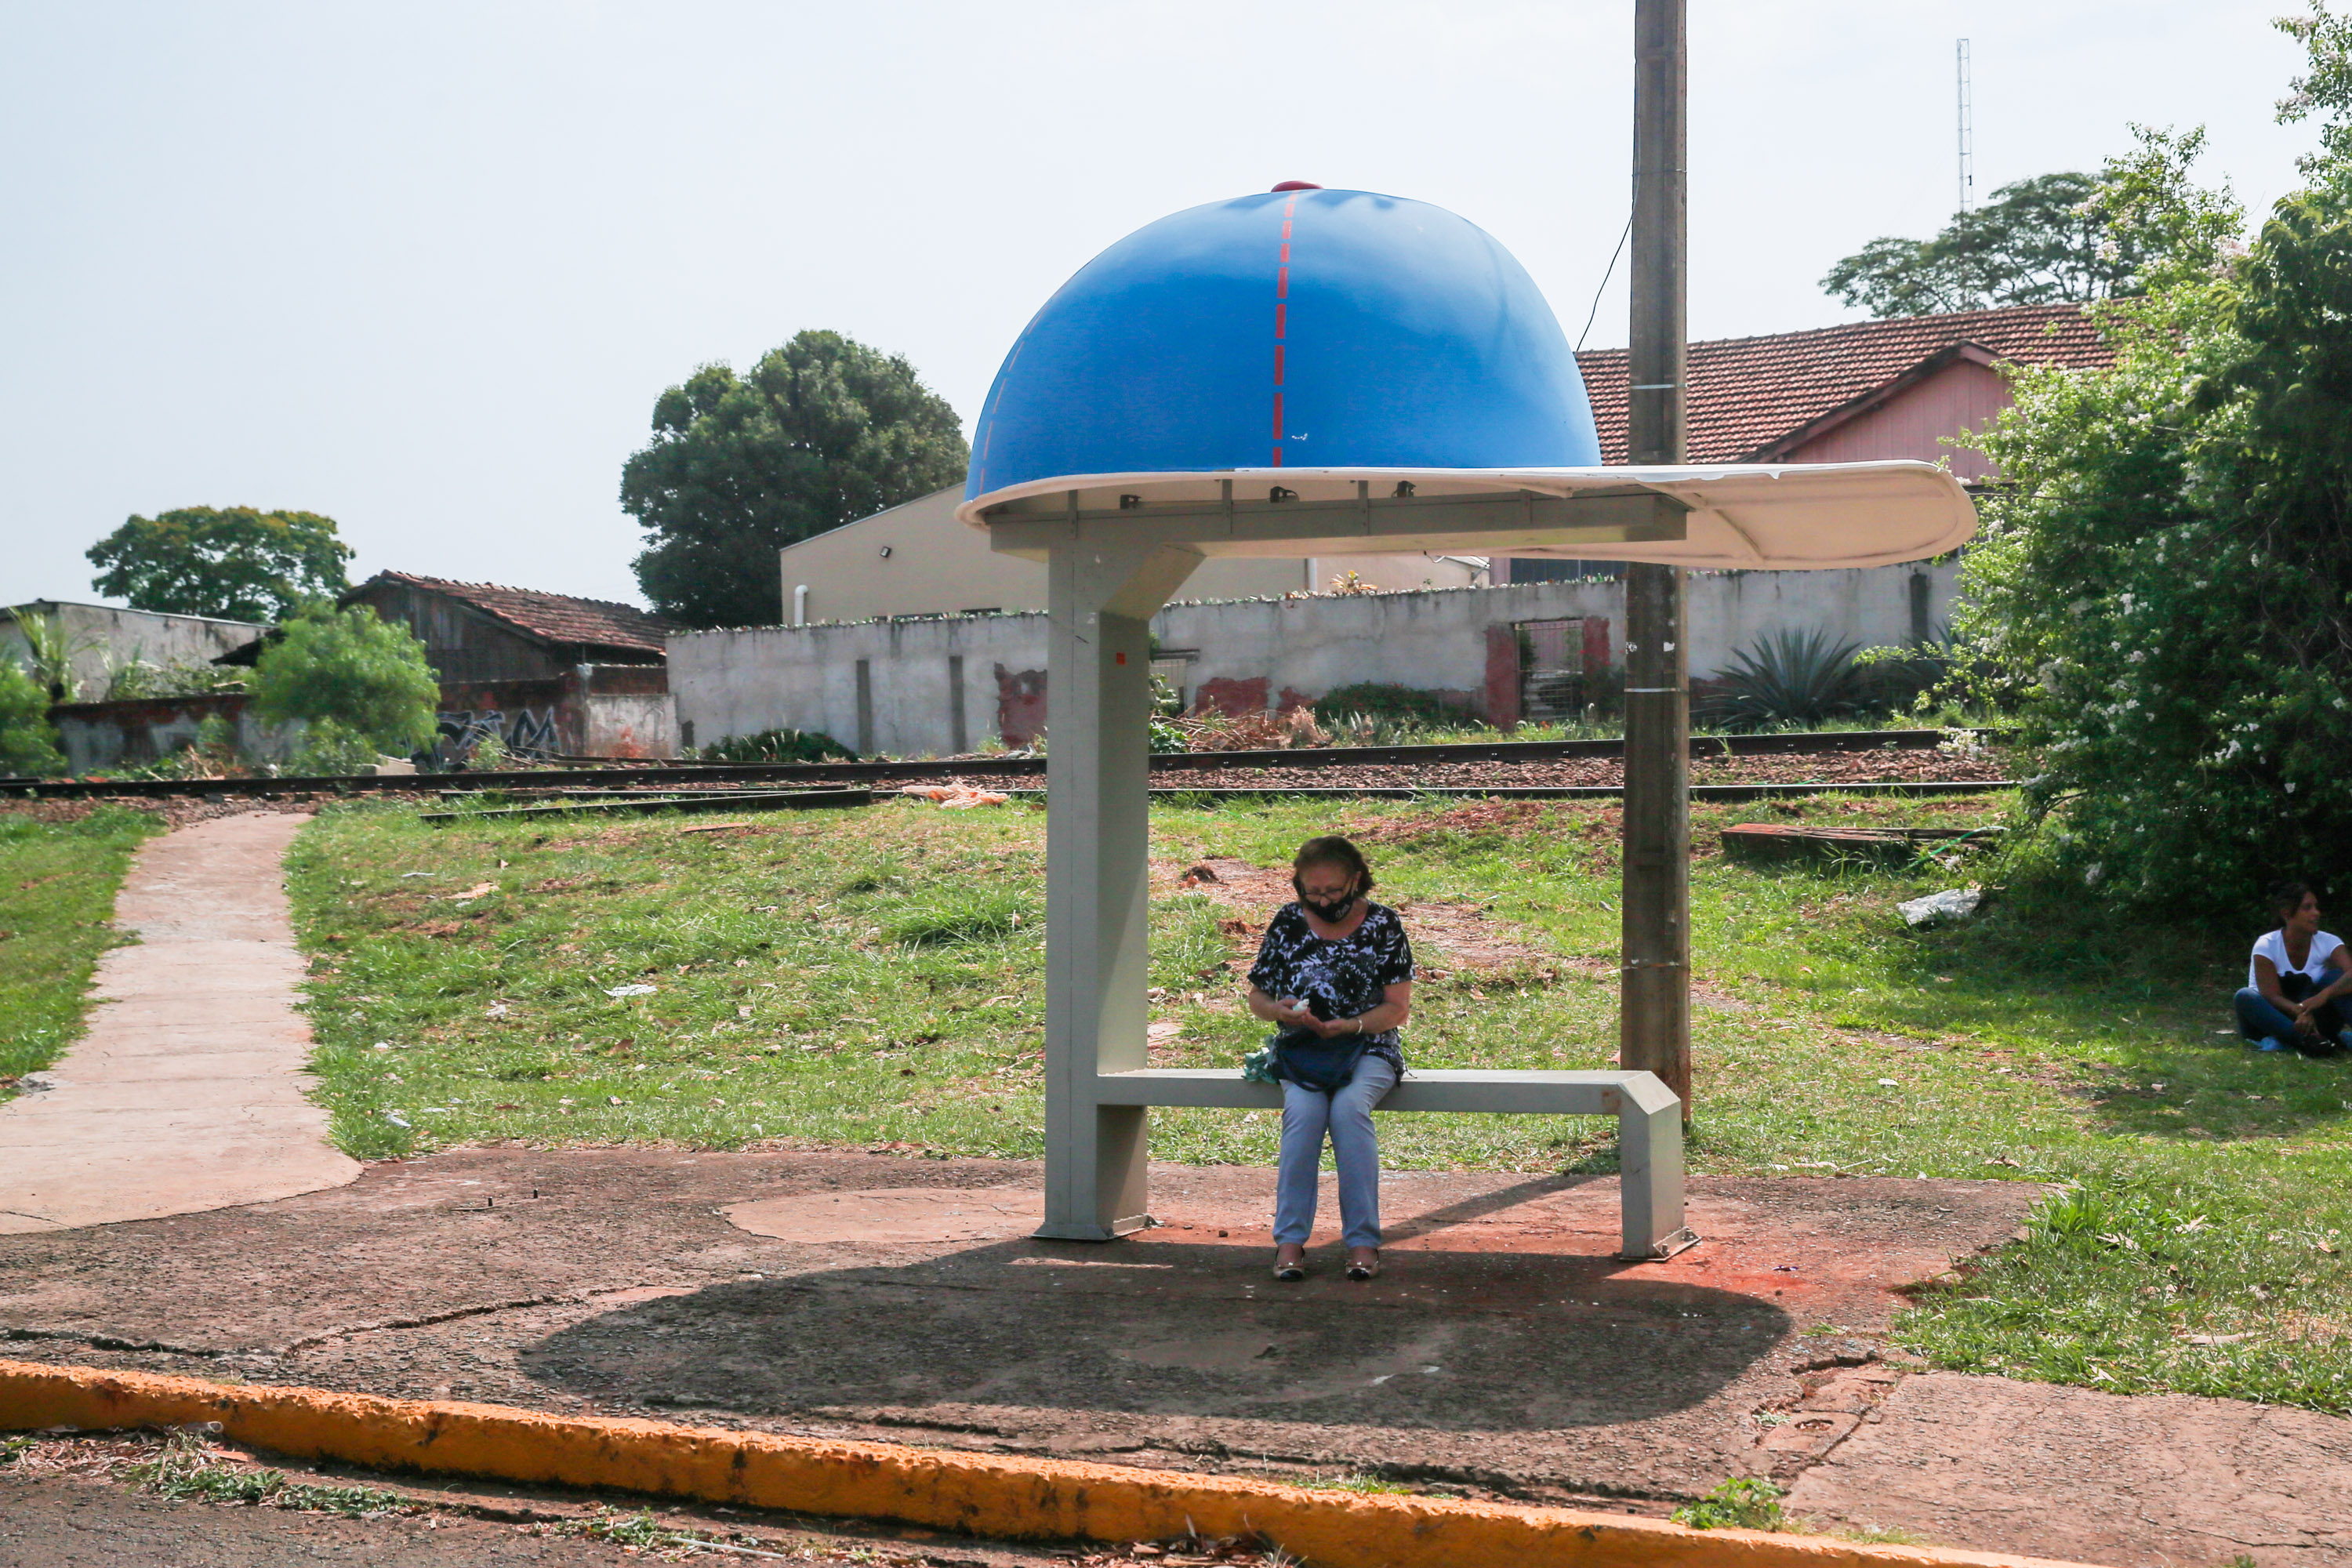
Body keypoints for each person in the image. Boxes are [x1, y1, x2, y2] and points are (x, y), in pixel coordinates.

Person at [1243, 835, 1414, 1283]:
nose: (1322, 900)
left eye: (1333, 891)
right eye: (1312, 892)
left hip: (1367, 1047)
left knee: (1349, 1110)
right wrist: (1278, 1011)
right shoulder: (1287, 922)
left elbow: (1397, 1008)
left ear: (1356, 880)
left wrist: (1351, 1025)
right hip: (1303, 1051)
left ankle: (1362, 1243)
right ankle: (1290, 1243)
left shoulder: (1383, 924)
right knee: (1302, 1115)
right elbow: (1258, 994)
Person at [2237, 880, 2352, 1058]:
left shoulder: (2329, 942)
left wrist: (2322, 997)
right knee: (2245, 996)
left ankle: (2315, 1040)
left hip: (2315, 1020)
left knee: (2337, 977)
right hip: (2272, 1019)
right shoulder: (2266, 945)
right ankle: (2308, 1042)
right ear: (2287, 914)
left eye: (2316, 907)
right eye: (2308, 908)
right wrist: (2300, 1011)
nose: (2316, 913)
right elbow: (2271, 995)